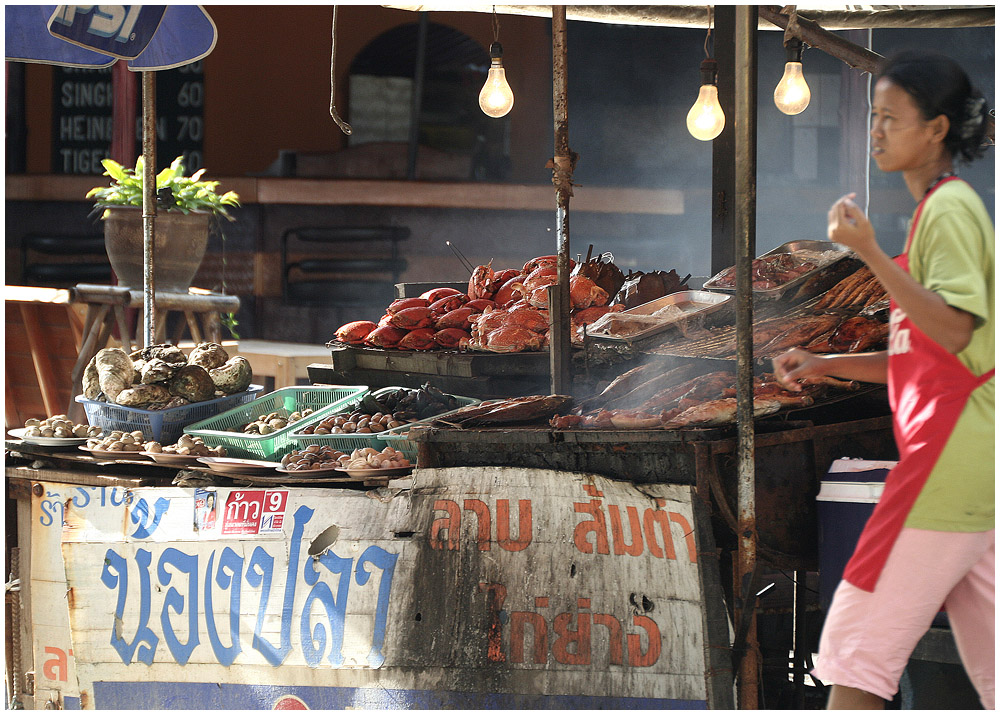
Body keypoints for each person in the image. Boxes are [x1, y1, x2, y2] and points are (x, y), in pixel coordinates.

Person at [772, 50, 994, 709]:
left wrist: (868, 250)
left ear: (937, 129)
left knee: (854, 650)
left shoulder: (950, 212)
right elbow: (928, 356)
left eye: (891, 118)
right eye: (874, 117)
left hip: (942, 470)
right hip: (974, 472)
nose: (876, 130)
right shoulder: (938, 213)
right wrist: (825, 363)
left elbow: (954, 329)